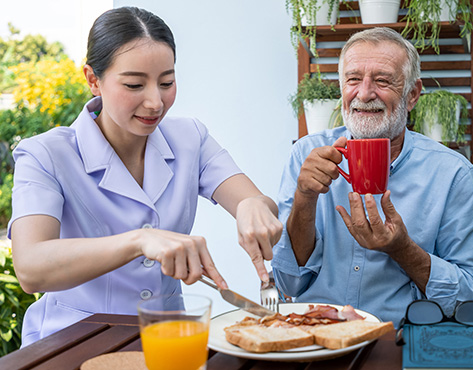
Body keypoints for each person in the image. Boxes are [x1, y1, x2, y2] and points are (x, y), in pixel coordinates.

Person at [8, 6, 282, 347]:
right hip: (72, 344)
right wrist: (140, 240)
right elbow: (31, 267)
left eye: (166, 82)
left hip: (168, 342)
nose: (155, 101)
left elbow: (254, 201)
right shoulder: (45, 154)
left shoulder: (189, 138)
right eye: (135, 84)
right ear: (93, 80)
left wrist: (253, 205)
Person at [271, 27, 473, 326]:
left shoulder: (453, 173)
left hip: (402, 338)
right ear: (341, 88)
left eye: (382, 80)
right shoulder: (306, 155)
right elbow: (288, 284)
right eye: (353, 79)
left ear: (412, 94)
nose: (364, 93)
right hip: (318, 332)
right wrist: (304, 199)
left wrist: (402, 249)